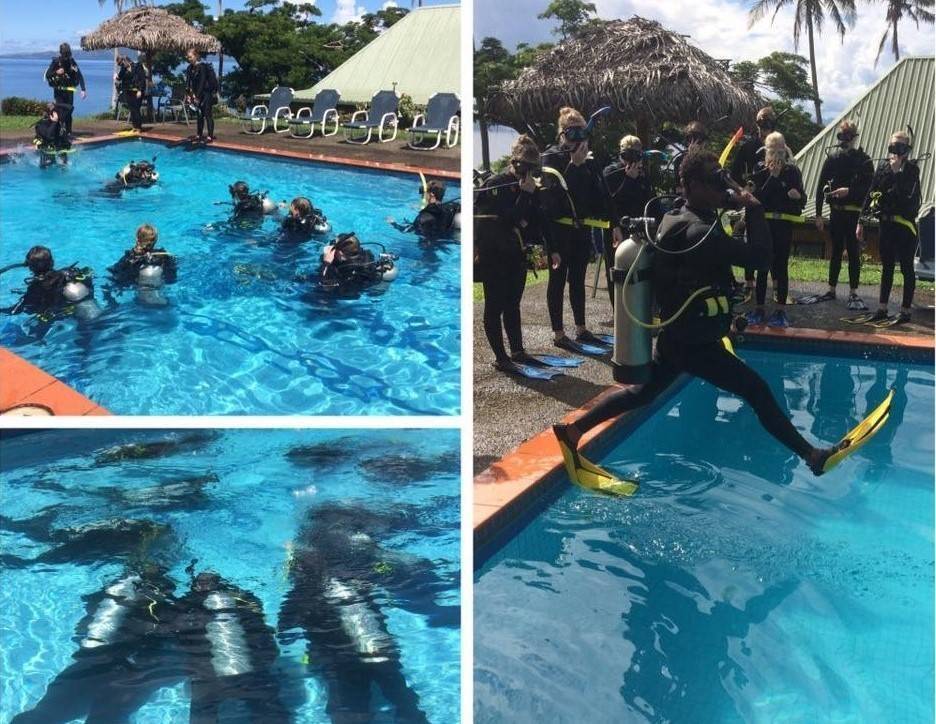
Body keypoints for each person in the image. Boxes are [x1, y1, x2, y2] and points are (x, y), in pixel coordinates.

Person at [553, 146, 868, 483]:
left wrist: (726, 319)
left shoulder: (681, 217)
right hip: (692, 343)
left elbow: (701, 280)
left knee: (643, 393)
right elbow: (760, 259)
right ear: (690, 185)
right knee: (756, 390)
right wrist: (755, 207)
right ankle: (811, 456)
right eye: (715, 182)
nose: (723, 189)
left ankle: (573, 431)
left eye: (722, 181)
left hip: (684, 336)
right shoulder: (698, 233)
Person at [540, 106, 613, 352]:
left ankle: (581, 328)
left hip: (580, 229)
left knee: (578, 280)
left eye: (582, 134)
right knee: (557, 280)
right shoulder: (550, 159)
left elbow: (599, 197)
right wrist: (573, 165)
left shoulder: (590, 162)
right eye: (573, 135)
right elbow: (553, 200)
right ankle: (558, 332)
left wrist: (584, 167)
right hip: (558, 231)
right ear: (562, 135)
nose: (578, 141)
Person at [475, 135, 543, 374]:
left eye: (532, 168)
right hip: (494, 255)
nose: (527, 172)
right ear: (514, 162)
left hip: (516, 254)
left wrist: (529, 198)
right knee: (494, 306)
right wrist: (525, 197)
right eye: (524, 166)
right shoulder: (496, 184)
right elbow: (510, 218)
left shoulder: (530, 187)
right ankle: (500, 356)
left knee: (513, 304)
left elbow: (530, 221)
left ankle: (517, 350)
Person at [857, 131, 921, 326]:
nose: (895, 150)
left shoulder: (911, 169)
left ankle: (905, 310)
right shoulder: (883, 167)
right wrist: (860, 221)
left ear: (907, 150)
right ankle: (882, 308)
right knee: (887, 267)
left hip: (905, 227)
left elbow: (906, 197)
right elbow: (871, 192)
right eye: (892, 146)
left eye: (900, 147)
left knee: (906, 268)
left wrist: (896, 173)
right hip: (886, 224)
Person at [810, 120, 873, 310]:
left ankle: (853, 291)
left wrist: (850, 191)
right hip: (836, 213)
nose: (844, 140)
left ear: (854, 137)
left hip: (854, 213)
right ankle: (831, 289)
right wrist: (819, 215)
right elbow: (820, 186)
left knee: (853, 253)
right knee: (836, 250)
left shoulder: (864, 160)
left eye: (847, 136)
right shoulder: (833, 158)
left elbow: (870, 190)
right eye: (841, 135)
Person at [746, 131, 806, 327]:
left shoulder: (793, 172)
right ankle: (759, 307)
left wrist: (797, 196)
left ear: (786, 150)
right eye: (773, 151)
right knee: (762, 266)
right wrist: (773, 177)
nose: (776, 157)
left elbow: (802, 201)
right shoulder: (759, 170)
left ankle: (780, 310)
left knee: (781, 267)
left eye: (780, 151)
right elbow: (757, 199)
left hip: (783, 226)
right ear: (766, 151)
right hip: (764, 225)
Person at [730, 106, 777, 301]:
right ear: (756, 124)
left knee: (773, 245)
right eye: (761, 123)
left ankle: (776, 288)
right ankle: (749, 286)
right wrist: (743, 190)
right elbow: (733, 173)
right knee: (751, 243)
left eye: (768, 124)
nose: (764, 128)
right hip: (752, 203)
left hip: (773, 203)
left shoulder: (779, 146)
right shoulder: (748, 147)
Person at [602, 135, 654, 307]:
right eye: (627, 156)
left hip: (639, 227)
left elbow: (649, 201)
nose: (631, 161)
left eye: (636, 156)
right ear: (620, 155)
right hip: (616, 227)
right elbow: (610, 203)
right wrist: (629, 180)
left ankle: (639, 306)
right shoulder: (611, 172)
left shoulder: (643, 175)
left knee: (640, 268)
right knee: (617, 270)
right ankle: (617, 308)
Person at [5, 246, 98, 321]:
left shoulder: (36, 288)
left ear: (30, 268)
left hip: (63, 316)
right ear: (52, 262)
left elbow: (15, 310)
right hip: (93, 309)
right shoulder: (70, 273)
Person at [318, 232, 396, 291]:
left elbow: (325, 287)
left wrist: (326, 263)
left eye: (334, 247)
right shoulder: (365, 254)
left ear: (340, 253)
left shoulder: (346, 269)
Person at [107, 224, 177, 288]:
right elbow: (171, 280)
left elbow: (115, 274)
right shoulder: (164, 257)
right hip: (159, 296)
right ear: (156, 240)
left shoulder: (129, 259)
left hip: (138, 295)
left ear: (137, 239)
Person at [44, 42, 86, 138]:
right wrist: (56, 72)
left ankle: (68, 133)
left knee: (69, 112)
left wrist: (83, 89)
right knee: (60, 112)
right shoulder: (56, 62)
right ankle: (58, 131)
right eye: (65, 54)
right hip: (59, 92)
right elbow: (48, 75)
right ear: (61, 53)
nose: (66, 56)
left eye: (67, 54)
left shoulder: (72, 62)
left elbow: (79, 75)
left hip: (69, 92)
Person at [184, 48, 218, 143]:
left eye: (191, 57)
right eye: (188, 57)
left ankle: (210, 136)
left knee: (207, 114)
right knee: (199, 115)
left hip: (206, 93)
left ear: (196, 56)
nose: (189, 59)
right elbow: (187, 83)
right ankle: (199, 134)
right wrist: (189, 95)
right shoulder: (189, 68)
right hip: (196, 94)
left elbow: (202, 82)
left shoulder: (202, 67)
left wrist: (197, 96)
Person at [33, 103, 70, 168]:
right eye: (53, 111)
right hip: (47, 148)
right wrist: (54, 122)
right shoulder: (41, 124)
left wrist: (57, 104)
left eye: (55, 111)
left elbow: (70, 107)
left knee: (64, 165)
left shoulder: (59, 118)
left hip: (58, 145)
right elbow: (48, 136)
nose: (56, 113)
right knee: (46, 165)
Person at [115, 55, 146, 132]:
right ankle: (134, 127)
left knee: (136, 109)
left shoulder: (137, 66)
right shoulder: (124, 69)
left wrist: (140, 90)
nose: (122, 65)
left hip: (137, 91)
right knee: (132, 109)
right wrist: (121, 71)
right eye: (120, 64)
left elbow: (142, 79)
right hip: (128, 91)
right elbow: (119, 77)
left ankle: (139, 127)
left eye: (122, 63)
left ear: (127, 61)